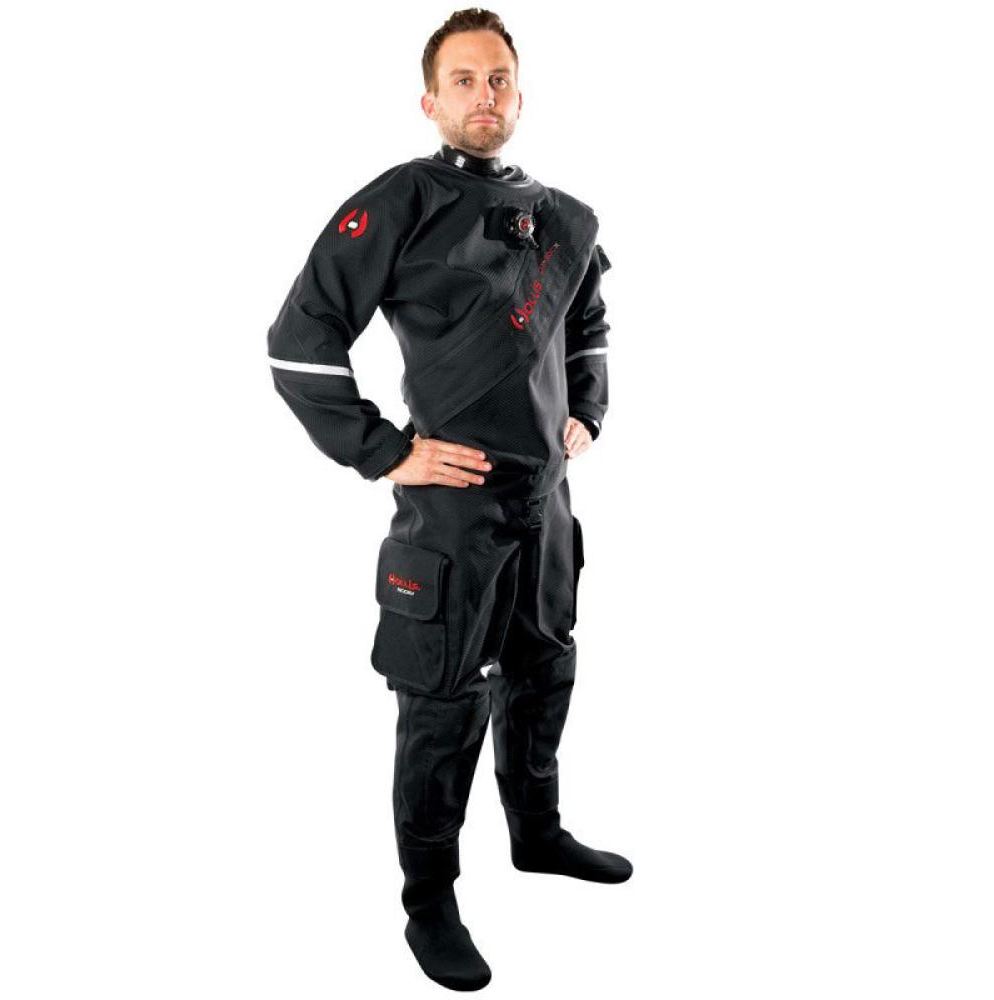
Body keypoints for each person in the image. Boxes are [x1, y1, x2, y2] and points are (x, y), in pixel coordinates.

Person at [267, 8, 631, 992]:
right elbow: (298, 342)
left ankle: (538, 832)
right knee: (440, 700)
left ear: (520, 95)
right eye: (463, 79)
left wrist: (586, 412)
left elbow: (588, 324)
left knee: (545, 665)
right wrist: (386, 451)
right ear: (429, 100)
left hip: (546, 499)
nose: (484, 94)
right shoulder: (404, 201)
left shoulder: (563, 219)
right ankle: (429, 902)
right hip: (452, 507)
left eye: (498, 78)